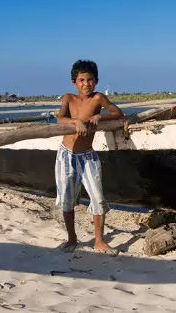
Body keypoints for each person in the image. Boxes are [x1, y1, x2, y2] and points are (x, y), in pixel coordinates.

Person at [55, 60, 124, 255]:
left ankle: (99, 241)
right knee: (67, 199)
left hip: (87, 156)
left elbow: (118, 113)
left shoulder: (98, 98)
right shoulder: (68, 98)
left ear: (96, 81)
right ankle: (72, 239)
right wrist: (76, 121)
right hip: (66, 156)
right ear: (74, 82)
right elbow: (60, 119)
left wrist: (100, 117)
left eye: (90, 79)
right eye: (82, 80)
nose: (86, 84)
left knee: (98, 198)